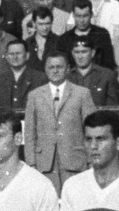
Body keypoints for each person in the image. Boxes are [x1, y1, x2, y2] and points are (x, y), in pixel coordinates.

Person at [23, 51, 95, 193]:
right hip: (44, 164)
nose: (55, 70)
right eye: (51, 67)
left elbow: (91, 130)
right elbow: (29, 133)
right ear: (45, 69)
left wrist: (91, 160)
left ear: (67, 69)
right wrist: (31, 163)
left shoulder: (82, 94)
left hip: (75, 162)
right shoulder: (35, 95)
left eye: (59, 67)